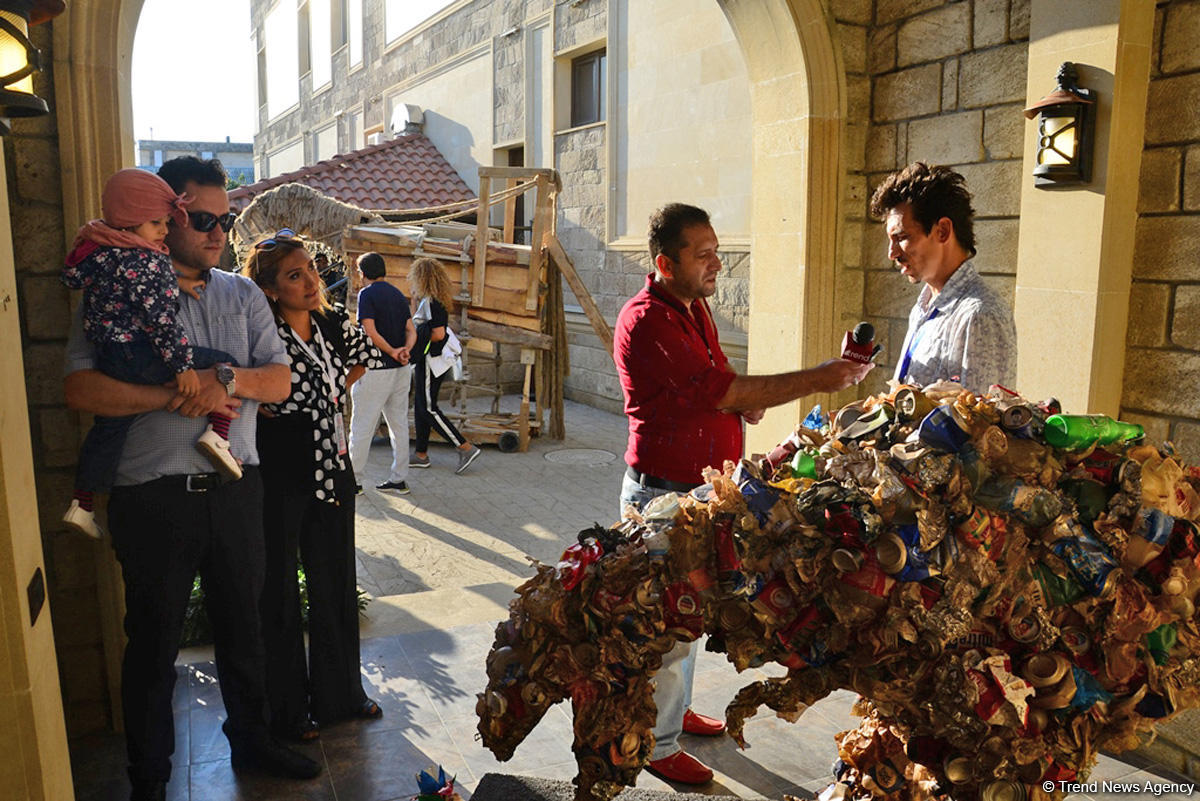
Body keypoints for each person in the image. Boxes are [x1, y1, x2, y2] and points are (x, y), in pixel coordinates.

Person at [63, 157, 321, 801]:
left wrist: (222, 381)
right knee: (151, 645)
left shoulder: (241, 295)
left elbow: (281, 380)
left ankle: (254, 740)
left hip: (238, 487)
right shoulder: (118, 288)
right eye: (203, 219)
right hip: (152, 496)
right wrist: (170, 394)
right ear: (169, 216)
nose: (217, 233)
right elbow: (79, 388)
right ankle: (149, 775)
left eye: (225, 220)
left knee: (246, 628)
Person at [614, 203, 873, 785]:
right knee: (667, 623)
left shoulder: (692, 306)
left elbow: (718, 378)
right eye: (703, 255)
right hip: (664, 494)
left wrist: (746, 403)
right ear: (664, 262)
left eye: (716, 250)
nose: (717, 263)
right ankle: (654, 743)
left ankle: (672, 713)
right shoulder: (646, 319)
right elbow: (719, 387)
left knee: (697, 611)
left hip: (701, 492)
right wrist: (821, 378)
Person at [243, 229, 386, 744]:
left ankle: (340, 695)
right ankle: (288, 709)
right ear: (271, 288)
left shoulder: (329, 321)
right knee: (278, 590)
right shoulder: (260, 329)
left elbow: (365, 355)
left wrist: (329, 395)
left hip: (332, 463)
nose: (309, 281)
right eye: (294, 275)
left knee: (334, 585)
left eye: (309, 270)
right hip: (280, 463)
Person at [59, 168, 241, 540]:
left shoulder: (99, 253)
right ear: (130, 224)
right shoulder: (150, 263)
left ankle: (82, 503)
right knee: (225, 363)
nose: (164, 230)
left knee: (108, 428)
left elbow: (127, 281)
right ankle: (217, 435)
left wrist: (174, 283)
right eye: (156, 222)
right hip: (141, 352)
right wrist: (184, 369)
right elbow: (161, 323)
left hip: (110, 354)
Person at [868, 161, 1017, 394]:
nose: (892, 253)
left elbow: (982, 424)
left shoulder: (980, 315)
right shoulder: (923, 307)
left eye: (902, 237)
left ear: (943, 231)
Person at [348, 251, 417, 493]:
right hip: (401, 369)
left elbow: (369, 330)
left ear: (363, 272)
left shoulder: (366, 294)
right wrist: (404, 351)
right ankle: (399, 478)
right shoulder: (398, 294)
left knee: (362, 426)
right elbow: (412, 330)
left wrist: (391, 351)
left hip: (376, 369)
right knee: (399, 424)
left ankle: (353, 481)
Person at [408, 257, 481, 474]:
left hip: (432, 360)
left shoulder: (433, 303)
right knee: (421, 407)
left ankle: (465, 447)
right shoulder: (430, 301)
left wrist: (420, 338)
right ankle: (421, 455)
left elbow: (438, 333)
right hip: (427, 360)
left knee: (429, 408)